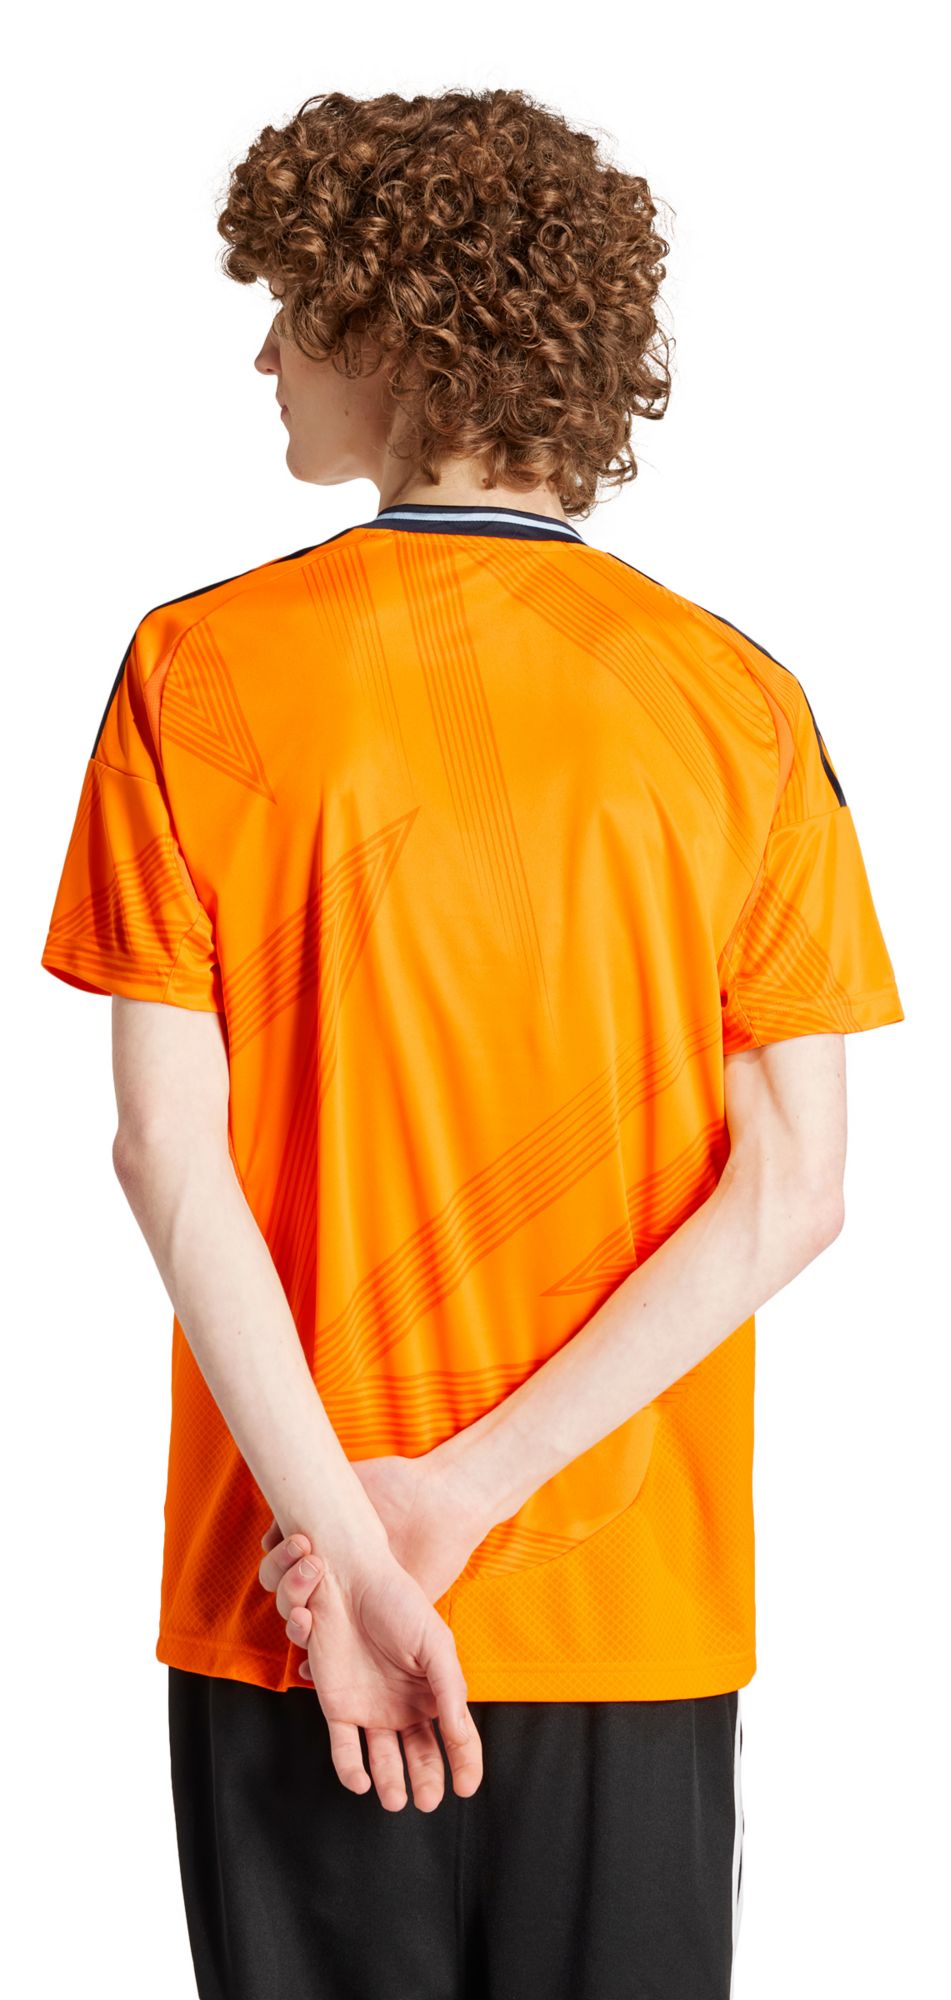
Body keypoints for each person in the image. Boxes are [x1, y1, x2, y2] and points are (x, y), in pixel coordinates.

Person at [39, 84, 905, 2000]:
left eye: (293, 308)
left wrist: (356, 1548)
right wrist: (454, 1502)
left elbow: (166, 1152)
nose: (264, 355)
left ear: (399, 330)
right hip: (627, 1610)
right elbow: (797, 1184)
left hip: (292, 1613)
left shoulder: (197, 672)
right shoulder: (738, 704)